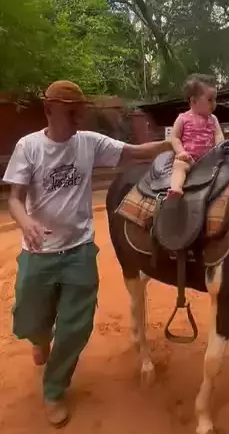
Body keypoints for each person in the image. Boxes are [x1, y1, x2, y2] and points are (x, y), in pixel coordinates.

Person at [3, 80, 172, 428]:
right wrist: (26, 222)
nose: (78, 117)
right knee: (30, 319)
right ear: (49, 110)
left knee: (75, 327)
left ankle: (54, 390)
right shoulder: (29, 146)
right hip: (38, 251)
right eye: (71, 112)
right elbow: (15, 198)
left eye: (80, 110)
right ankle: (39, 337)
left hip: (79, 250)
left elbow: (135, 152)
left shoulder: (89, 143)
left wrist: (174, 143)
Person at [168, 73, 224, 198]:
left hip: (209, 159)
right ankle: (176, 188)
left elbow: (218, 135)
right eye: (210, 100)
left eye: (215, 99)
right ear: (194, 101)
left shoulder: (213, 119)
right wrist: (181, 152)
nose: (214, 103)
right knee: (179, 166)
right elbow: (175, 137)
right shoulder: (182, 118)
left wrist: (220, 148)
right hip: (189, 159)